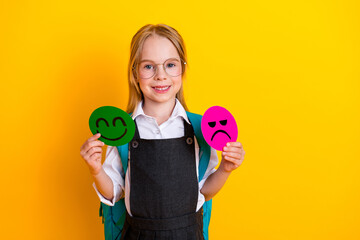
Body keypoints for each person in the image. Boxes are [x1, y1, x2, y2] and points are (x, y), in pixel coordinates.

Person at [80, 23, 246, 240]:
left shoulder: (201, 129)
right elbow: (113, 193)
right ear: (134, 73)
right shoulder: (122, 131)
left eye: (170, 65)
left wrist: (225, 168)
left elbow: (204, 191)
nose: (161, 75)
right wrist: (95, 169)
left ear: (183, 70)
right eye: (148, 66)